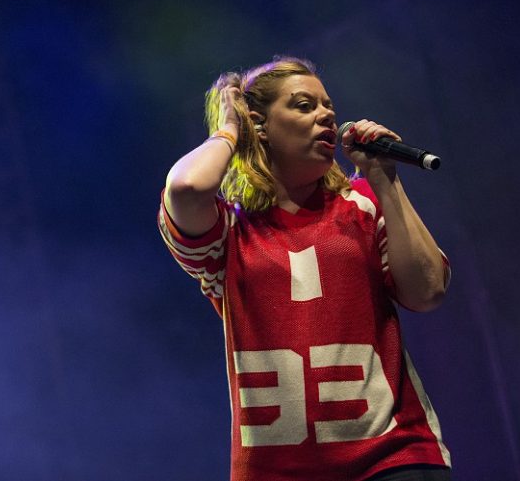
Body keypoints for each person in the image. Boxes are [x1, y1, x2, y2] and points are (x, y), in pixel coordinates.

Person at [157, 56, 452, 481]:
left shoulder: (362, 203)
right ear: (259, 125)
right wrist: (229, 128)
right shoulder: (228, 231)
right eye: (304, 105)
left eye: (328, 106)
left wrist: (385, 179)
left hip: (393, 459)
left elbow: (428, 291)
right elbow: (187, 187)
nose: (326, 116)